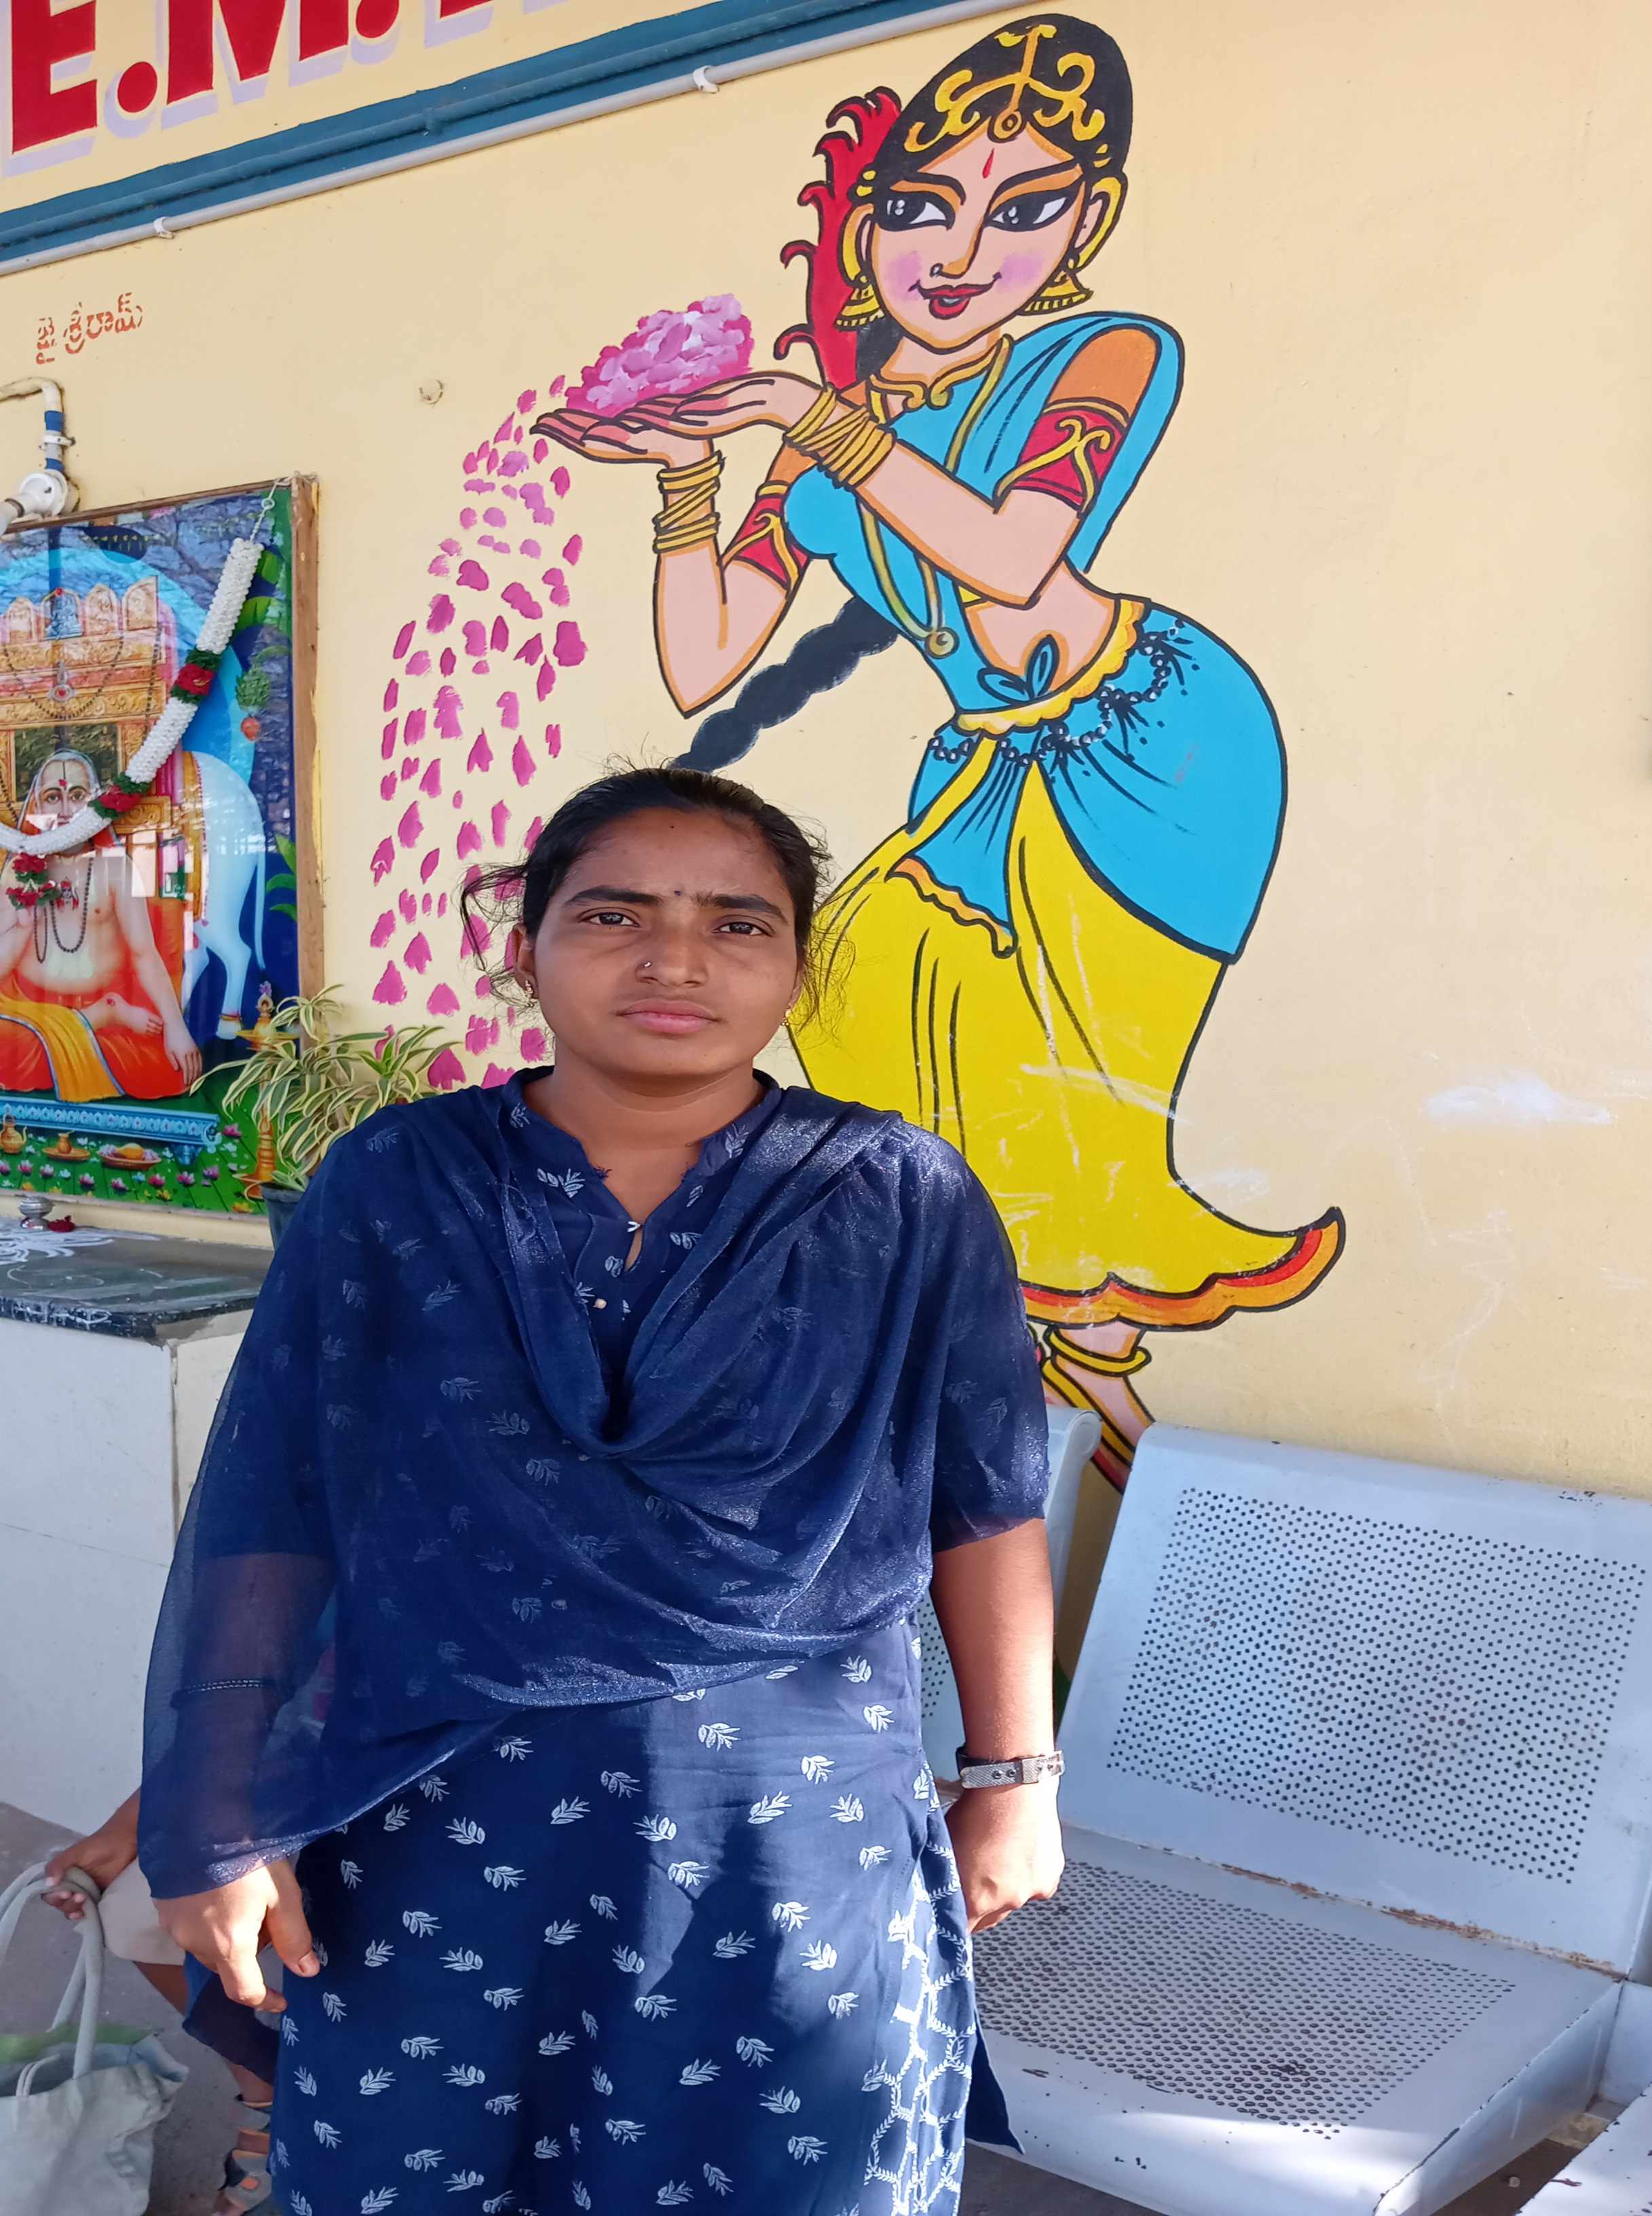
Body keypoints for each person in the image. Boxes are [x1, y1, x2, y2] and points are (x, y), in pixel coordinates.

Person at [139, 766, 1062, 2214]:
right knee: (419, 2168)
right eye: (614, 913)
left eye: (738, 924)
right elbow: (279, 1505)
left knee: (780, 2169)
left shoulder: (900, 1196)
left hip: (789, 1824)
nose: (675, 959)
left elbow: (986, 1503)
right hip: (430, 1806)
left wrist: (1014, 1783)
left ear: (797, 964)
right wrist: (217, 1811)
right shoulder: (396, 1183)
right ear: (525, 946)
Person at [539, 14, 1342, 1487]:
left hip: (1151, 743)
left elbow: (1013, 561)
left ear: (1085, 224)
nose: (960, 251)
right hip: (985, 767)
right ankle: (1051, 1447)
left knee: (1082, 1128)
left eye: (1021, 210)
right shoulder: (823, 435)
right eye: (921, 207)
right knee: (868, 1012)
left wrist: (813, 418)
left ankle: (1119, 1471)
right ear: (866, 229)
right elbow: (703, 654)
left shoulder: (1105, 354)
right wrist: (689, 477)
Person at [43, 1791, 278, 2211]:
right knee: (132, 1914)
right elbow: (219, 1744)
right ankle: (267, 2091)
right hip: (308, 1782)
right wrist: (126, 1828)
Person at [0, 749, 203, 1100]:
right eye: (53, 797)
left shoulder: (114, 867)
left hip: (99, 1004)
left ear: (96, 803)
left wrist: (176, 1025)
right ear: (38, 805)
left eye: (77, 796)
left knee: (159, 1068)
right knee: (18, 1047)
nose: (65, 810)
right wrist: (22, 928)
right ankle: (99, 1016)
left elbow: (143, 953)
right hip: (30, 1010)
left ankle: (95, 1018)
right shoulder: (20, 870)